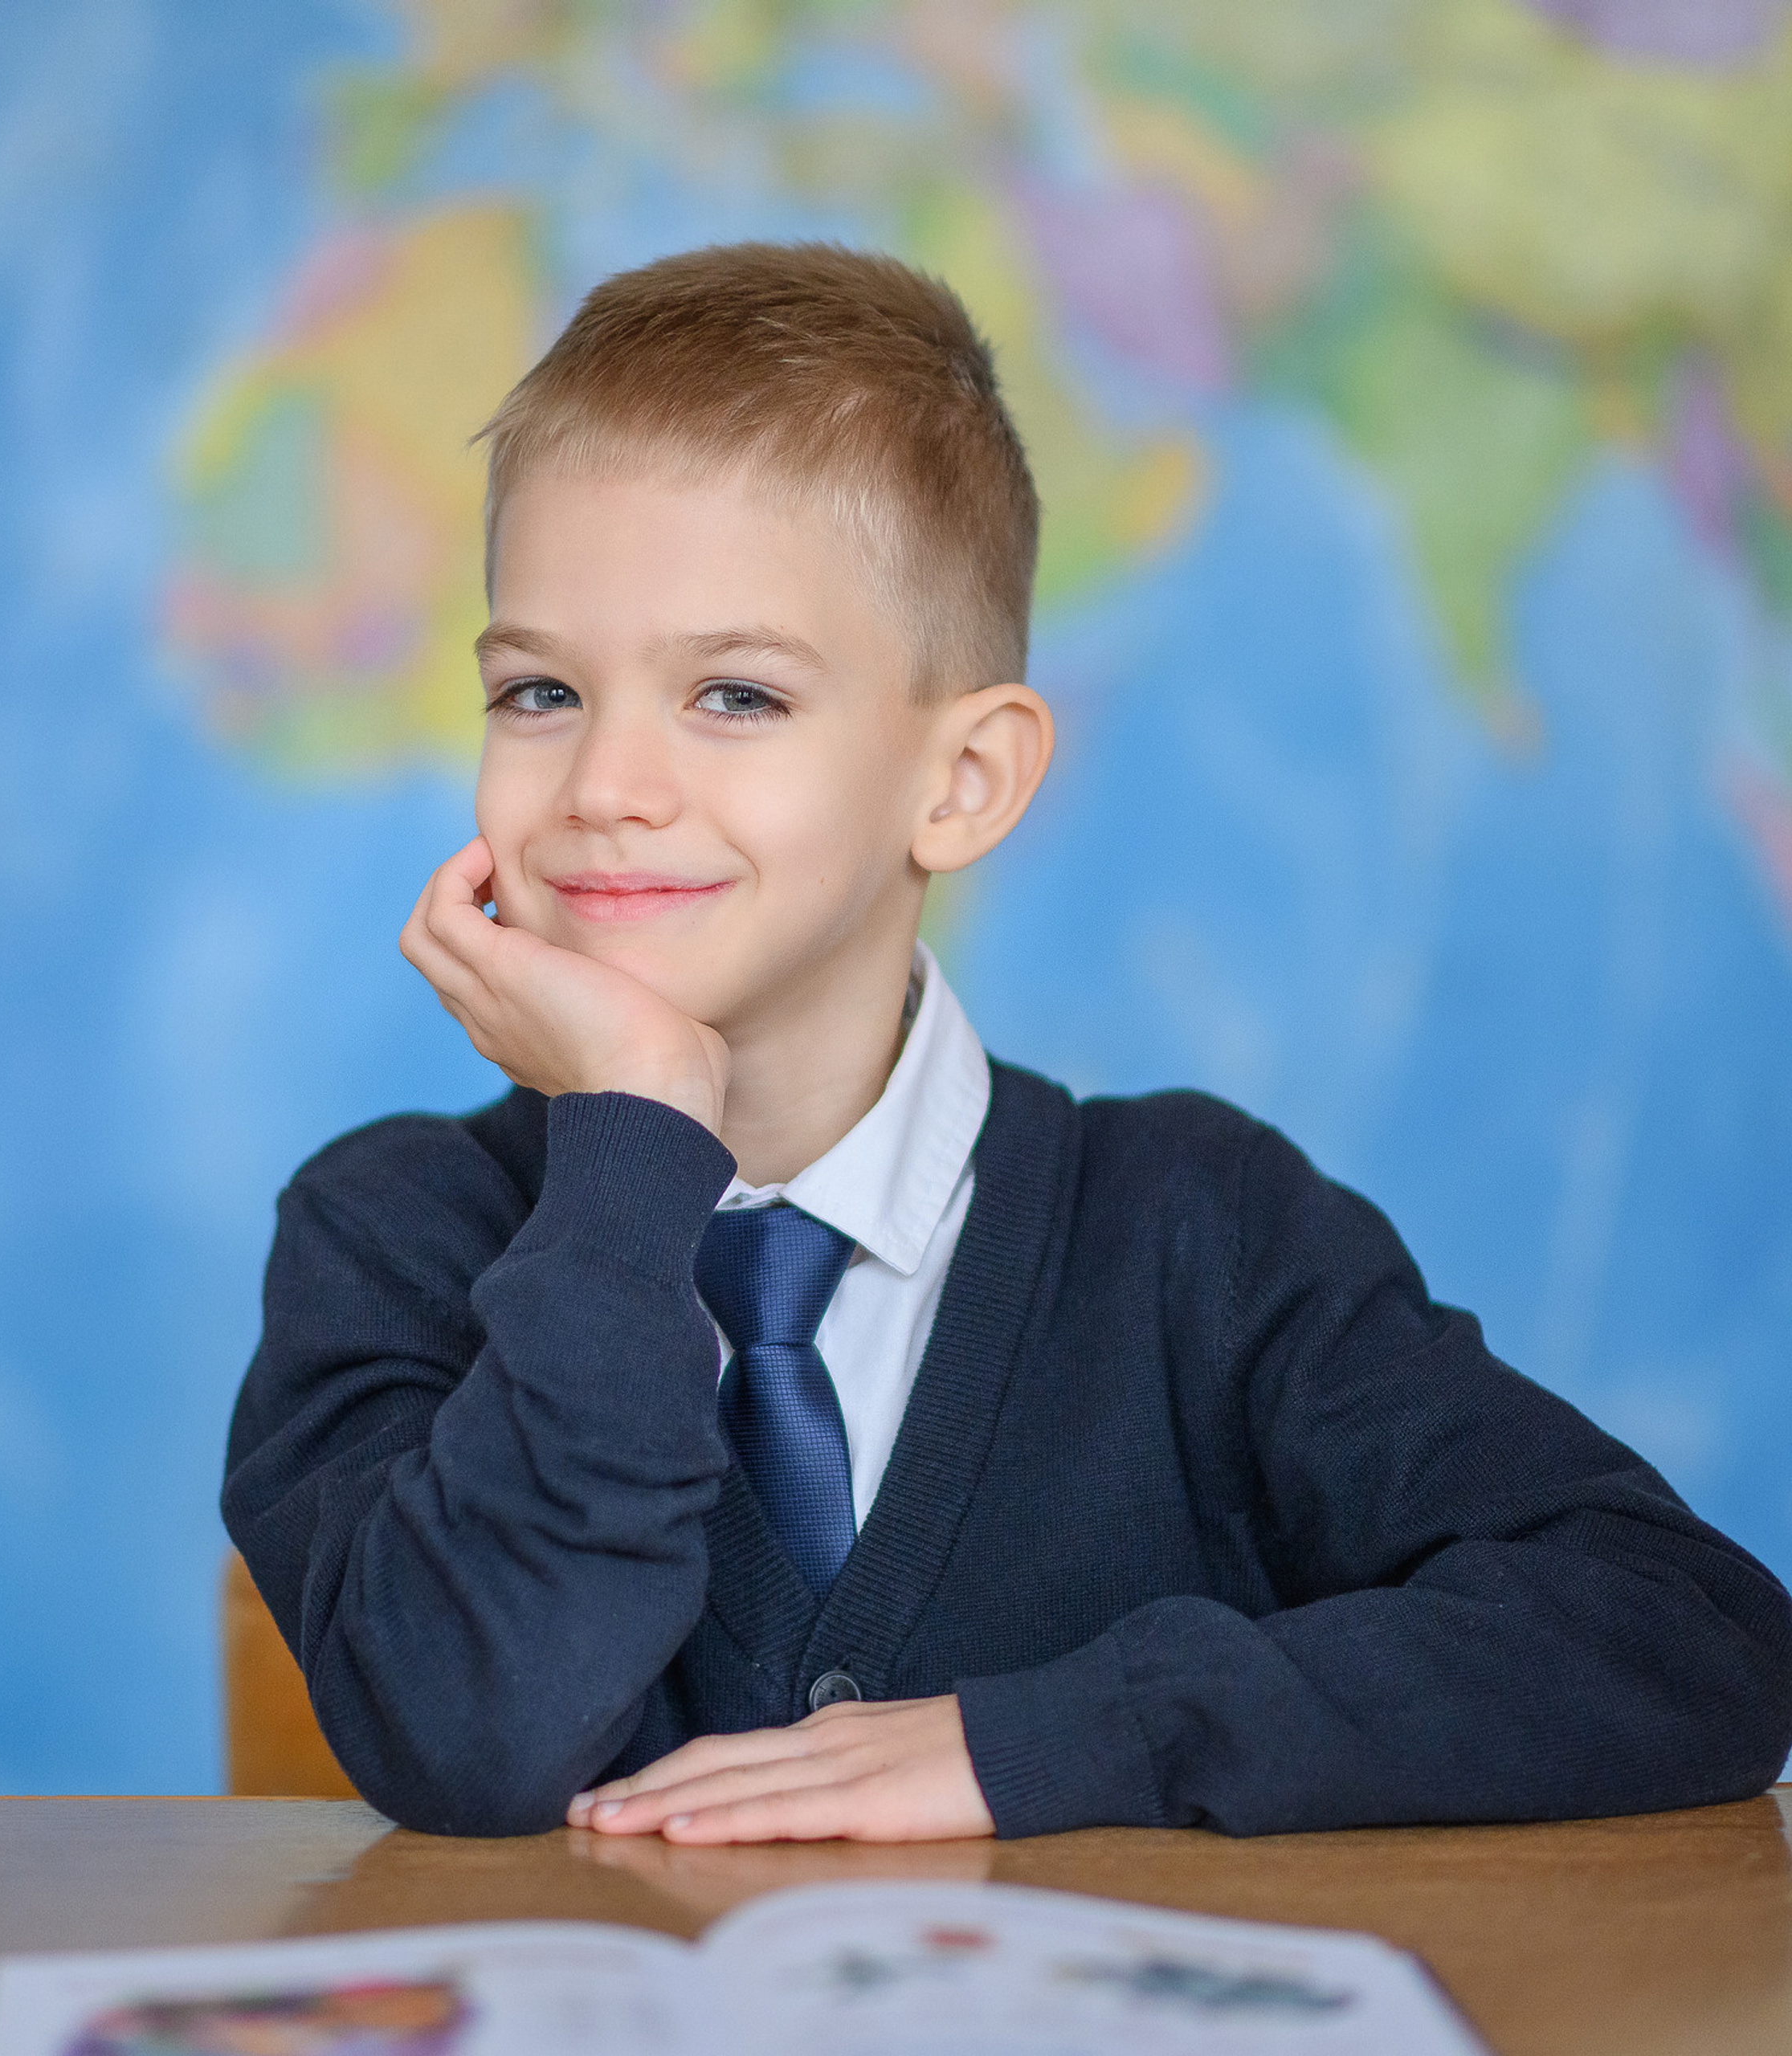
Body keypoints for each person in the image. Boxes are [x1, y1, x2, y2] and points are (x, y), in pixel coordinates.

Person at [222, 243, 1792, 1844]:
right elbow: (472, 1734)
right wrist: (629, 1136)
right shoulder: (388, 1230)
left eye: (736, 696)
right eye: (540, 687)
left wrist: (1050, 1738)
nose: (603, 782)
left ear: (961, 780)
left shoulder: (1198, 1233)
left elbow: (1690, 1631)